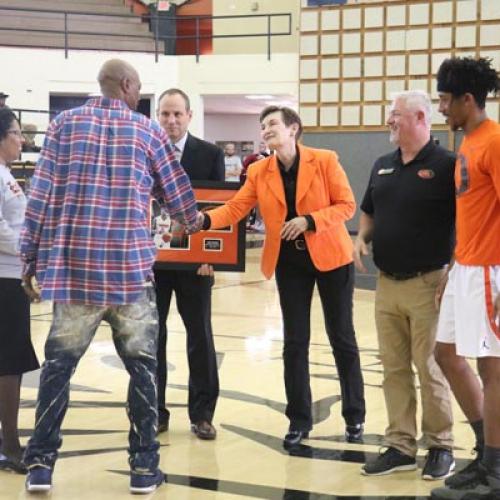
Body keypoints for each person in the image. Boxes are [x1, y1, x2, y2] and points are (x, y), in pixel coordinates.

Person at [20, 59, 202, 495]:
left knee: (58, 370)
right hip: (130, 277)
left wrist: (30, 261)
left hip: (75, 275)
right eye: (139, 91)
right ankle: (143, 469)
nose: (140, 99)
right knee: (142, 371)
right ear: (125, 86)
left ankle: (41, 466)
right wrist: (193, 221)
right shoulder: (148, 132)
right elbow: (179, 197)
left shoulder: (63, 126)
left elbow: (40, 196)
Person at [201, 105, 365, 447]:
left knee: (342, 338)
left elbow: (346, 205)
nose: (266, 129)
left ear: (293, 129)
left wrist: (309, 220)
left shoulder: (324, 160)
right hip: (289, 263)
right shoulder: (260, 170)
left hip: (332, 258)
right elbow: (236, 207)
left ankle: (355, 415)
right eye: (263, 125)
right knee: (294, 343)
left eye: (273, 123)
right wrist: (203, 221)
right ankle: (299, 420)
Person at [354, 90, 456, 480]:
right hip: (386, 285)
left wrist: (454, 267)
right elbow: (369, 211)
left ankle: (440, 444)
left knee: (430, 368)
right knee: (393, 368)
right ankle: (399, 444)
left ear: (419, 117)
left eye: (395, 115)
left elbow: (469, 218)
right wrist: (361, 237)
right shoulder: (382, 165)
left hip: (429, 283)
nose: (389, 121)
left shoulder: (447, 164)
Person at [430, 57, 500, 500]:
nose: (441, 108)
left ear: (467, 100)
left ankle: (496, 471)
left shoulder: (494, 142)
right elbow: (471, 215)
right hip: (466, 268)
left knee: (492, 370)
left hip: (492, 270)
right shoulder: (468, 143)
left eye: (444, 99)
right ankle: (485, 452)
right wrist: (453, 267)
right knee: (446, 354)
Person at [154, 88, 224, 440]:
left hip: (196, 263)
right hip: (152, 263)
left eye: (177, 114)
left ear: (189, 115)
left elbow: (217, 208)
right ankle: (154, 410)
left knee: (200, 336)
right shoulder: (144, 149)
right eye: (165, 114)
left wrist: (210, 257)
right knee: (152, 337)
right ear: (157, 115)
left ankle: (203, 414)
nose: (171, 121)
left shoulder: (209, 154)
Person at [0, 108, 39, 474]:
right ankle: (10, 444)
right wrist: (29, 248)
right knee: (9, 363)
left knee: (9, 362)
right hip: (3, 280)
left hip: (12, 277)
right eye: (15, 132)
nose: (21, 139)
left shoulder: (6, 175)